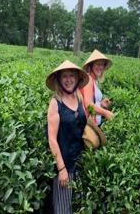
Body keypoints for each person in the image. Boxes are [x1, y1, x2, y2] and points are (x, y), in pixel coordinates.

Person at [46, 60, 89, 213]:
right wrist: (62, 168)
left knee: (79, 205)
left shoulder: (79, 98)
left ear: (77, 78)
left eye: (72, 75)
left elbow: (82, 124)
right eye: (64, 76)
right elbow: (52, 139)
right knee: (63, 209)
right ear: (59, 79)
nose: (69, 79)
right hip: (65, 164)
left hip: (81, 162)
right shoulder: (55, 103)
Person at [82, 49, 114, 126]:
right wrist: (105, 113)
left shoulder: (94, 81)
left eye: (102, 65)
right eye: (97, 64)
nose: (100, 67)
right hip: (88, 126)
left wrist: (101, 103)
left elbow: (91, 100)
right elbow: (88, 104)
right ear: (91, 65)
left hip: (94, 125)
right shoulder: (88, 79)